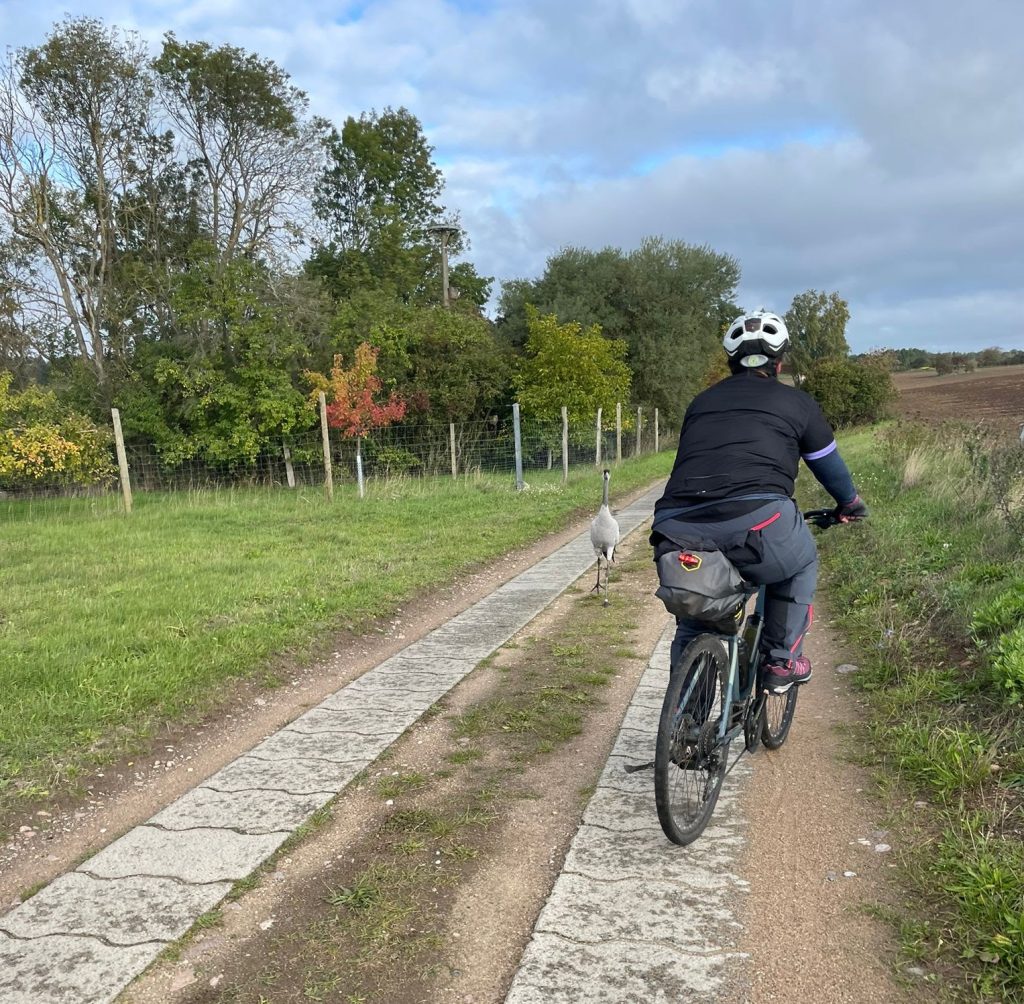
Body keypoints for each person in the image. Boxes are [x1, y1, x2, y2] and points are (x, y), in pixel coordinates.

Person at [650, 309, 867, 694]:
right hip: (758, 520)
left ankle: (687, 725)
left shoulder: (700, 403)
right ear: (780, 361)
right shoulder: (798, 403)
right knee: (800, 562)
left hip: (677, 525)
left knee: (697, 613)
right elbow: (829, 468)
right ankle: (782, 661)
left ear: (731, 363)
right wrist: (849, 503)